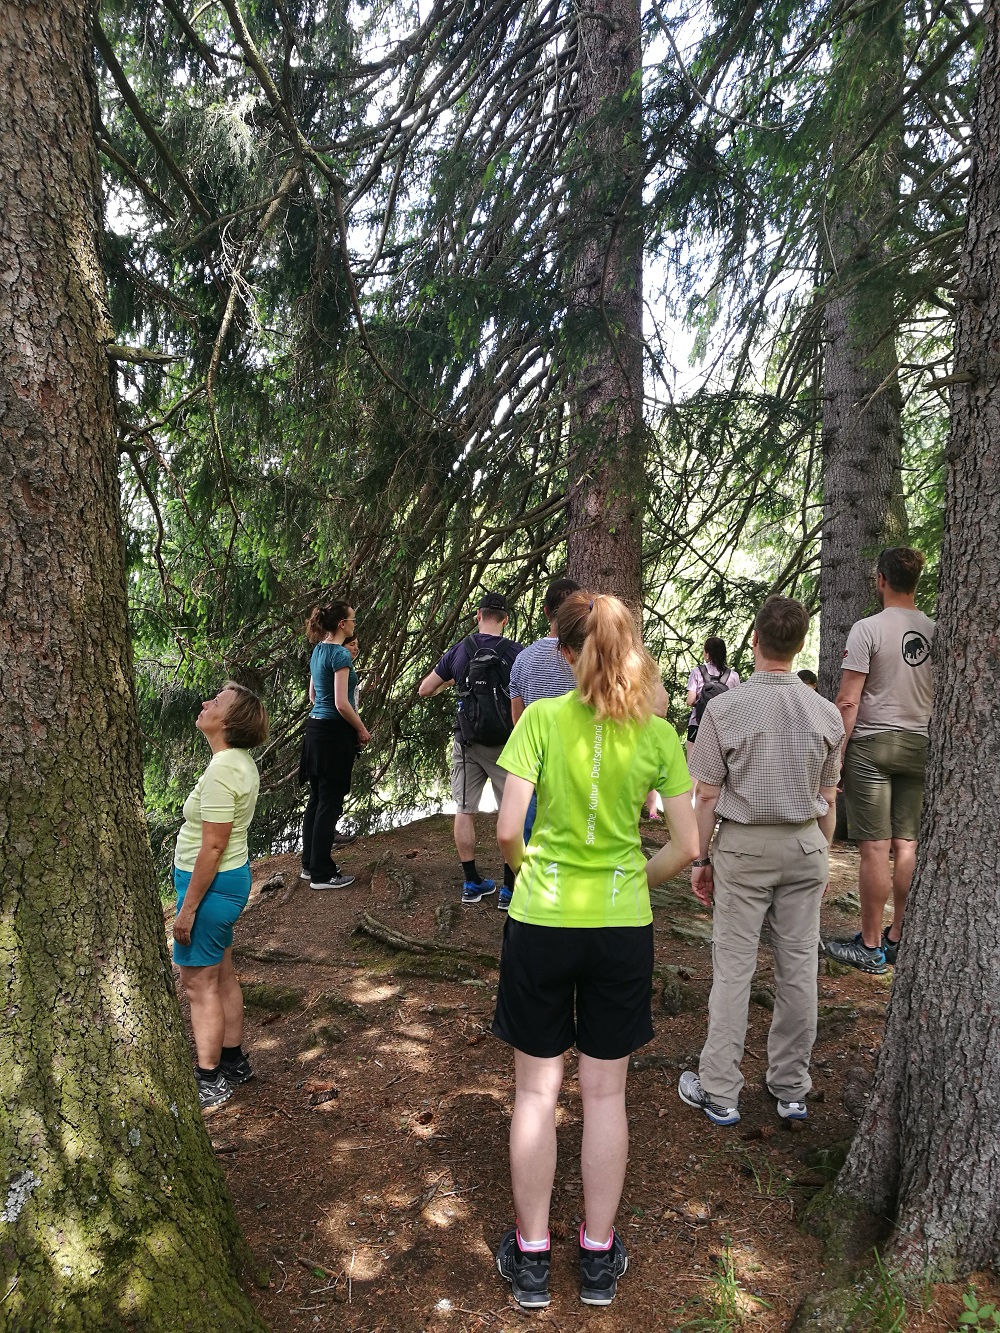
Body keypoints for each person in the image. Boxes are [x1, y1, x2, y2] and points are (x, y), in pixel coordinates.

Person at [491, 592, 698, 1309]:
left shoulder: (542, 720)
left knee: (535, 1091)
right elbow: (688, 845)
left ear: (569, 654)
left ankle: (532, 1258)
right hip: (621, 926)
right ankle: (599, 1260)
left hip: (542, 920)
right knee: (606, 1094)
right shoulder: (659, 733)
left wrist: (532, 874)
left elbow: (508, 831)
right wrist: (634, 878)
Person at [678, 596, 843, 1127]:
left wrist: (699, 858)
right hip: (805, 845)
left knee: (733, 969)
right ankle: (791, 1087)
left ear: (754, 641)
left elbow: (704, 796)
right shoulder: (826, 713)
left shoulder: (724, 708)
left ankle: (721, 1089)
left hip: (744, 848)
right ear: (799, 646)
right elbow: (830, 798)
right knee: (799, 970)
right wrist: (821, 855)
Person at [824, 548, 935, 973]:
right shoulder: (935, 630)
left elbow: (849, 701)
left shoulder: (867, 629)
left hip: (872, 746)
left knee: (875, 845)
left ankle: (868, 946)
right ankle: (897, 937)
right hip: (920, 745)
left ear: (881, 579)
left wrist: (835, 755)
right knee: (907, 844)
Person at [172, 682, 269, 1109]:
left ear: (229, 722)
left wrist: (187, 911)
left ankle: (209, 1079)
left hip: (208, 888)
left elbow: (212, 846)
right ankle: (233, 1063)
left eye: (218, 702)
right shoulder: (236, 762)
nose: (207, 702)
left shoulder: (222, 769)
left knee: (198, 985)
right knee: (222, 975)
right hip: (225, 884)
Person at [418, 592, 522, 904]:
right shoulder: (517, 652)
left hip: (467, 743)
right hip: (507, 745)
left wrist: (455, 679)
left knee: (464, 810)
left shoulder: (460, 650)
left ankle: (471, 882)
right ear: (504, 620)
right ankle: (508, 889)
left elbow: (425, 689)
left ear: (478, 615)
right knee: (511, 814)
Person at [507, 576, 580, 865]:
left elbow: (518, 722)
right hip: (582, 768)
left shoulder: (522, 660)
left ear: (547, 612)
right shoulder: (589, 661)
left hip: (535, 770)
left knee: (531, 843)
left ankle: (520, 891)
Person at [299, 602, 370, 890]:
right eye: (353, 619)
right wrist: (361, 728)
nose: (355, 623)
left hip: (315, 730)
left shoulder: (318, 650)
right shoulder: (340, 654)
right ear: (342, 623)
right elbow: (342, 703)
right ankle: (323, 874)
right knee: (329, 802)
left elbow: (313, 695)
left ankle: (309, 865)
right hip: (333, 734)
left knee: (317, 799)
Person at [685, 637, 739, 756]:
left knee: (692, 763)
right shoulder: (733, 676)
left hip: (698, 724)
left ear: (707, 654)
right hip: (724, 726)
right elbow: (736, 704)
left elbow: (690, 701)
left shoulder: (697, 672)